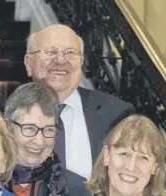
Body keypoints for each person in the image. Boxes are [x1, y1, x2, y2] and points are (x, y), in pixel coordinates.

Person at [24, 24, 135, 180]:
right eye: (50, 52)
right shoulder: (8, 116)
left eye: (70, 53)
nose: (60, 60)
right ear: (29, 64)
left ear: (81, 62)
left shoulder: (116, 115)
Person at [3, 81, 90, 196]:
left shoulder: (78, 191)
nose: (39, 141)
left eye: (48, 129)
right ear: (7, 127)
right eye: (29, 128)